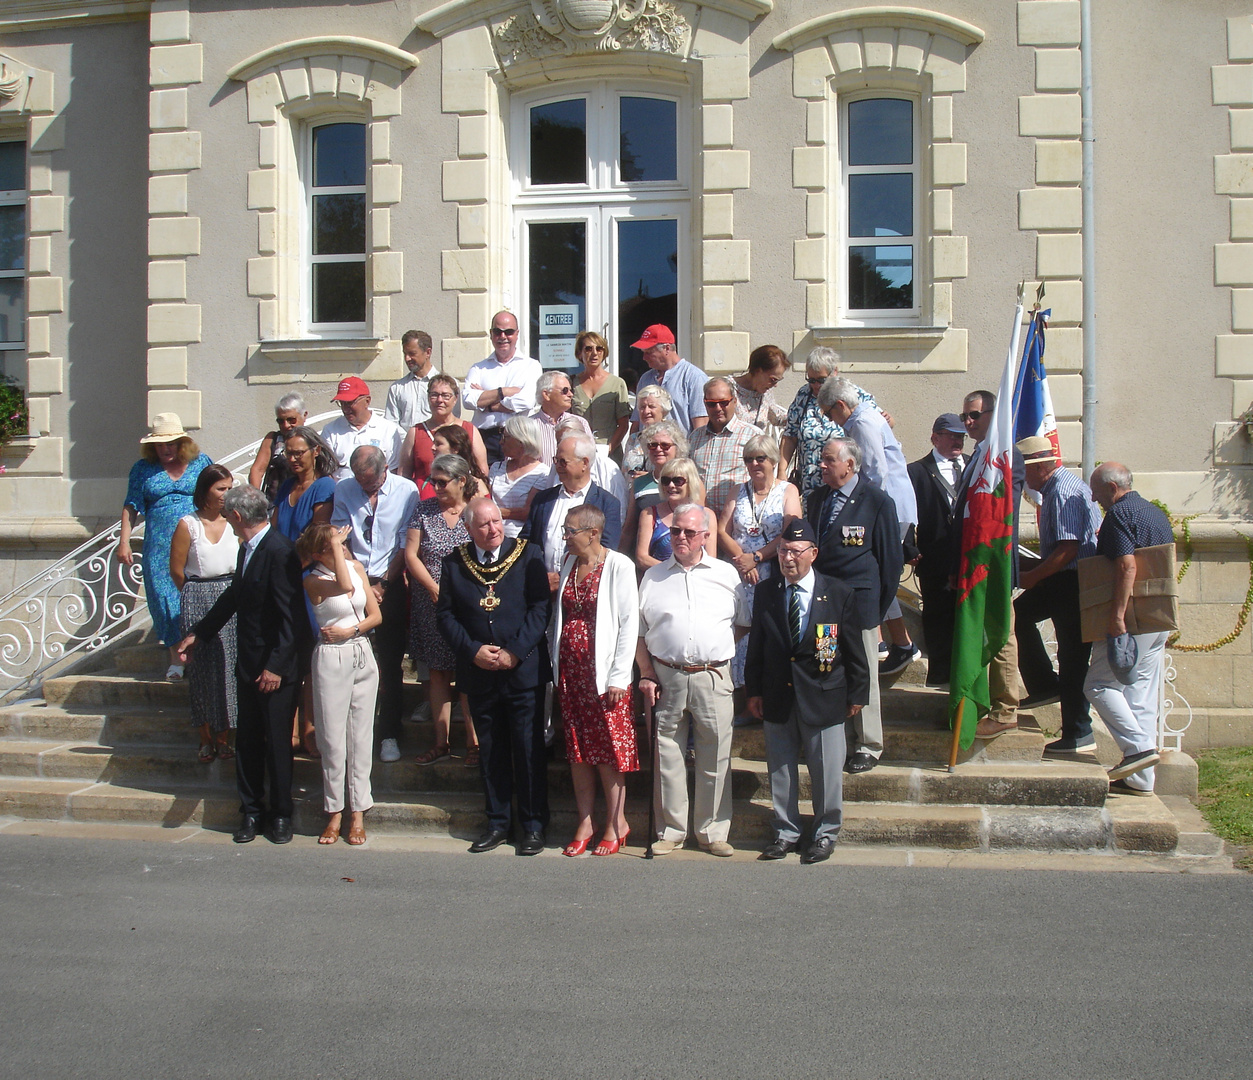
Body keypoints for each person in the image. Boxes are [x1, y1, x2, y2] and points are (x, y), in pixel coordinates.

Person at [176, 484, 305, 845]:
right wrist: (199, 632)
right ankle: (250, 810)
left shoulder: (280, 551)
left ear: (235, 516)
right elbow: (235, 595)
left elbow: (291, 617)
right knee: (247, 741)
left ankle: (281, 814)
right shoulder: (247, 549)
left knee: (278, 744)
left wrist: (277, 667)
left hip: (276, 670)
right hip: (248, 665)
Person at [744, 519, 870, 863]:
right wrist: (753, 690)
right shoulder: (769, 591)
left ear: (813, 554)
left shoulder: (838, 593)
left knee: (827, 770)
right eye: (783, 551)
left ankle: (825, 832)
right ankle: (786, 831)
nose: (787, 559)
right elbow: (758, 644)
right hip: (778, 694)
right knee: (780, 769)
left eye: (795, 552)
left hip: (824, 693)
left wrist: (858, 693)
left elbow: (853, 649)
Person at [436, 498, 552, 855]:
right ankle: (498, 823)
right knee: (491, 751)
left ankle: (533, 826)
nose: (493, 529)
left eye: (497, 521)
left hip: (522, 671)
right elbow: (446, 616)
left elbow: (540, 608)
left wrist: (513, 652)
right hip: (480, 672)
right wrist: (472, 650)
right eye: (484, 525)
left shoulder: (528, 554)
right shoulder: (455, 562)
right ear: (469, 528)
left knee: (528, 750)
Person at [637, 503, 745, 857]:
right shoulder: (653, 577)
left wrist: (713, 651)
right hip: (667, 676)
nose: (679, 537)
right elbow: (639, 632)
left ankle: (713, 832)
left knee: (715, 756)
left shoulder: (725, 575)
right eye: (675, 531)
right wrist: (648, 672)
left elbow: (742, 623)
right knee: (667, 754)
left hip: (713, 677)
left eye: (688, 532)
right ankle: (671, 830)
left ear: (705, 536)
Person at [806, 437, 902, 774]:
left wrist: (877, 608)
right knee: (827, 668)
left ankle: (869, 744)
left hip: (860, 606)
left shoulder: (876, 501)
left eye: (829, 460)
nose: (822, 465)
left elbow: (891, 562)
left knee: (864, 676)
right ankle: (837, 739)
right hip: (825, 607)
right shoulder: (817, 499)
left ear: (850, 463)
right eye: (822, 459)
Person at [550, 504, 639, 856]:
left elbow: (629, 623)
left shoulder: (619, 565)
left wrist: (620, 676)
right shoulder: (569, 564)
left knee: (609, 753)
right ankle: (585, 820)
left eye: (570, 531)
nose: (565, 537)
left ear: (593, 533)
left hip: (604, 678)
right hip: (572, 676)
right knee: (578, 752)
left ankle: (616, 822)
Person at [819, 376, 920, 676]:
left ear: (840, 405)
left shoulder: (861, 422)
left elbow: (876, 471)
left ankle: (888, 641)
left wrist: (865, 511)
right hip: (831, 627)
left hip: (885, 510)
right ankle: (896, 642)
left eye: (828, 413)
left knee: (879, 571)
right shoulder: (867, 416)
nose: (830, 420)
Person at [1084, 462, 1175, 795]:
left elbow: (1126, 566)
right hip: (1157, 616)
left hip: (1132, 617)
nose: (1093, 498)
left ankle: (1138, 749)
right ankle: (1140, 779)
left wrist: (1117, 616)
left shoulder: (1120, 515)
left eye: (1095, 491)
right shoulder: (1154, 512)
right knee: (1141, 697)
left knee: (1097, 684)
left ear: (1112, 488)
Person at [1014, 435, 1102, 755]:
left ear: (1037, 467)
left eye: (1022, 470)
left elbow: (1068, 549)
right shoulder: (1058, 489)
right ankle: (1044, 685)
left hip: (1071, 581)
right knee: (1019, 616)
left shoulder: (1063, 492)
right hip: (1063, 579)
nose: (1020, 478)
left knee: (1073, 656)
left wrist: (1032, 577)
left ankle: (1078, 732)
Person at [331, 446, 420, 764]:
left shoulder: (406, 490)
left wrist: (382, 585)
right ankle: (349, 733)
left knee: (389, 664)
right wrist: (360, 581)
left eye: (371, 481)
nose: (366, 487)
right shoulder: (344, 489)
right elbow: (341, 537)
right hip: (353, 581)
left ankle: (389, 733)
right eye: (360, 481)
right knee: (349, 661)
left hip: (390, 583)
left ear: (385, 469)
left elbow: (404, 542)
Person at [298, 523, 381, 846]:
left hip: (360, 651)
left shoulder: (355, 567)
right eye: (335, 543)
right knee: (332, 738)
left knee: (360, 735)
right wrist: (334, 546)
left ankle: (358, 810)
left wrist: (353, 631)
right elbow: (345, 588)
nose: (343, 547)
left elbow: (375, 615)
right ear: (320, 551)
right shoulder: (313, 579)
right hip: (330, 659)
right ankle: (334, 810)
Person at [954, 389, 1027, 738]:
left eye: (975, 416)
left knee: (1001, 633)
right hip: (973, 562)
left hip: (993, 560)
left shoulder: (1005, 456)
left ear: (992, 416)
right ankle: (980, 700)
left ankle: (1005, 708)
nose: (968, 422)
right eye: (965, 416)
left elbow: (999, 510)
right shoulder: (977, 455)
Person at [118, 412, 213, 680]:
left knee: (194, 594)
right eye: (160, 444)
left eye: (170, 443)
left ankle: (200, 653)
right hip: (159, 545)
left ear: (182, 443)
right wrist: (124, 541)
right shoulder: (142, 469)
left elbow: (218, 491)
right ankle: (177, 659)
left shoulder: (200, 462)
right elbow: (131, 505)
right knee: (163, 598)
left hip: (196, 540)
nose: (165, 449)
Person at [404, 454, 480, 768]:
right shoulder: (423, 510)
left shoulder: (476, 511)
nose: (434, 487)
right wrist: (435, 589)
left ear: (462, 481)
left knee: (467, 673)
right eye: (432, 481)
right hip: (430, 603)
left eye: (441, 481)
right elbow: (411, 554)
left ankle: (474, 744)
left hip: (468, 604)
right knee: (437, 672)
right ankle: (441, 742)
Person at [717, 433, 801, 689]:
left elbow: (791, 530)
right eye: (749, 459)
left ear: (773, 460)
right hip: (741, 573)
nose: (754, 464)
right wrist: (742, 561)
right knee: (742, 630)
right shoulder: (737, 491)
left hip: (773, 570)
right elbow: (722, 530)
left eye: (760, 458)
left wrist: (757, 558)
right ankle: (742, 690)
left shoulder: (787, 490)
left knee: (768, 630)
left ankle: (767, 691)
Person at [169, 464, 238, 762]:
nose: (226, 494)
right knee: (202, 671)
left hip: (232, 596)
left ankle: (225, 737)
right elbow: (177, 570)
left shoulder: (236, 521)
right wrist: (196, 595)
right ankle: (205, 737)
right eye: (221, 489)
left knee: (228, 669)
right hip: (198, 596)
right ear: (205, 491)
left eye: (230, 488)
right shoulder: (189, 524)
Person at [907, 414, 967, 688]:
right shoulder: (917, 471)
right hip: (935, 561)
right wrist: (909, 548)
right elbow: (907, 514)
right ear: (935, 438)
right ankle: (940, 681)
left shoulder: (973, 468)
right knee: (937, 621)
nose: (957, 441)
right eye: (951, 435)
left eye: (961, 436)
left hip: (968, 560)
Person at [522, 433, 622, 589]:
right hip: (541, 587)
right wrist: (539, 576)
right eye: (556, 460)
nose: (558, 466)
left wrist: (563, 578)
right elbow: (526, 542)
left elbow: (606, 550)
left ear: (584, 463)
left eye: (563, 461)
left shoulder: (607, 503)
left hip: (581, 589)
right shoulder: (543, 499)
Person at [778, 346, 879, 497]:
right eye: (811, 380)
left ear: (835, 372)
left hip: (843, 483)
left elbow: (877, 425)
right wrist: (781, 471)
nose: (816, 385)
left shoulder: (851, 393)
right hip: (809, 484)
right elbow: (790, 435)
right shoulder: (803, 395)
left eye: (821, 380)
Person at [461, 310, 542, 465]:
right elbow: (468, 400)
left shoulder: (531, 366)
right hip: (485, 439)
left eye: (508, 332)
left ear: (517, 334)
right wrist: (504, 391)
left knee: (518, 485)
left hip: (519, 438)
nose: (503, 337)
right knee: (484, 485)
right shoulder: (478, 368)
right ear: (491, 334)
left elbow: (526, 401)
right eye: (498, 332)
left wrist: (487, 403)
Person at [399, 373, 488, 486]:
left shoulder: (469, 430)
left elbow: (482, 471)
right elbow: (404, 474)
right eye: (434, 395)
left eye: (445, 395)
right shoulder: (416, 432)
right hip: (424, 498)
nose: (439, 400)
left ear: (455, 398)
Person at [688, 376, 759, 518]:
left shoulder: (752, 436)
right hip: (702, 520)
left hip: (736, 520)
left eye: (723, 402)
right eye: (711, 404)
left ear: (734, 401)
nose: (718, 408)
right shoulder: (695, 438)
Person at [635, 457, 716, 572]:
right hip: (660, 580)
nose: (671, 485)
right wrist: (676, 572)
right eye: (666, 481)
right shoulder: (649, 514)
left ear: (691, 482)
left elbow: (711, 559)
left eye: (677, 481)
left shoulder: (707, 515)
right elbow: (642, 558)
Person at [621, 418, 687, 553]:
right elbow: (629, 528)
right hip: (645, 557)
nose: (658, 449)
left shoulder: (689, 481)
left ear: (677, 448)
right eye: (652, 445)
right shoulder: (639, 483)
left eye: (665, 445)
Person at [321, 376, 405, 480]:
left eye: (350, 402)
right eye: (342, 403)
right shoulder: (330, 431)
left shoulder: (388, 430)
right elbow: (325, 471)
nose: (345, 408)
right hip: (340, 492)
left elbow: (394, 470)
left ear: (367, 401)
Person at [630, 324, 708, 432]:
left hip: (681, 448)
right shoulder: (645, 379)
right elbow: (637, 422)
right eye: (643, 353)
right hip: (647, 447)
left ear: (667, 348)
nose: (644, 358)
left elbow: (701, 426)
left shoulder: (694, 377)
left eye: (649, 352)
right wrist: (631, 445)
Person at [571, 330, 630, 460]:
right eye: (588, 349)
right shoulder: (571, 384)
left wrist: (609, 448)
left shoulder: (617, 383)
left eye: (599, 349)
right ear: (580, 353)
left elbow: (623, 424)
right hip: (579, 453)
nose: (594, 353)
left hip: (609, 452)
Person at [271, 426, 337, 541]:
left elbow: (317, 538)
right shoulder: (287, 486)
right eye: (289, 453)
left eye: (298, 453)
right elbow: (273, 529)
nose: (292, 459)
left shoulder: (325, 487)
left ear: (316, 451)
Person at [488, 414, 549, 539]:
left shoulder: (542, 473)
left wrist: (492, 513)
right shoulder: (496, 467)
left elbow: (527, 512)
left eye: (506, 438)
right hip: (491, 535)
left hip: (521, 539)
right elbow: (487, 501)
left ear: (521, 441)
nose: (501, 442)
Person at [247, 392, 307, 501]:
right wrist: (256, 500)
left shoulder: (311, 440)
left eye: (291, 420)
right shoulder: (273, 439)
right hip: (275, 501)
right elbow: (257, 470)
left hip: (302, 499)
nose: (286, 425)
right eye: (281, 421)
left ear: (304, 415)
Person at [534, 369, 594, 465]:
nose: (571, 395)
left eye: (571, 390)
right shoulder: (528, 426)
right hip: (539, 480)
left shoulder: (580, 423)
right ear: (546, 394)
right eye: (565, 390)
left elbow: (591, 459)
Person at [384, 330, 441, 432]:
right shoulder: (397, 388)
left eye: (412, 354)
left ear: (428, 352)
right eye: (405, 354)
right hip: (405, 445)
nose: (407, 358)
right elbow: (391, 425)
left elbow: (450, 422)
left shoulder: (446, 386)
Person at [732, 345, 789, 436]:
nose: (775, 385)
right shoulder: (728, 389)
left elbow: (777, 418)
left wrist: (803, 414)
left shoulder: (765, 392)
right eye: (773, 380)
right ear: (758, 370)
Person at [620, 385, 672, 476]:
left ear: (663, 410)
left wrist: (648, 478)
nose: (646, 411)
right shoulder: (633, 439)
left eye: (651, 406)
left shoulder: (671, 438)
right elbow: (624, 472)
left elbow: (676, 472)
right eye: (642, 407)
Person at [432, 423, 491, 492]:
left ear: (455, 448)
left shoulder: (476, 485)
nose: (432, 448)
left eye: (438, 444)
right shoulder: (430, 481)